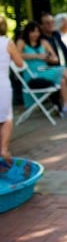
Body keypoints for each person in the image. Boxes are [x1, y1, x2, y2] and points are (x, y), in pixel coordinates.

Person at [18, 21, 67, 118]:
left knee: (63, 80)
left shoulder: (44, 43)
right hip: (33, 74)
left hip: (45, 70)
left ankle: (66, 109)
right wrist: (38, 56)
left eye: (37, 31)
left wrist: (48, 58)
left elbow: (55, 59)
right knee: (63, 70)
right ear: (27, 32)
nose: (35, 34)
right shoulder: (22, 43)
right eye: (32, 31)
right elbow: (17, 55)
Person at [0, 16, 24, 163]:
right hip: (2, 84)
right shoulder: (7, 43)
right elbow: (20, 64)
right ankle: (3, 149)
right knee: (6, 118)